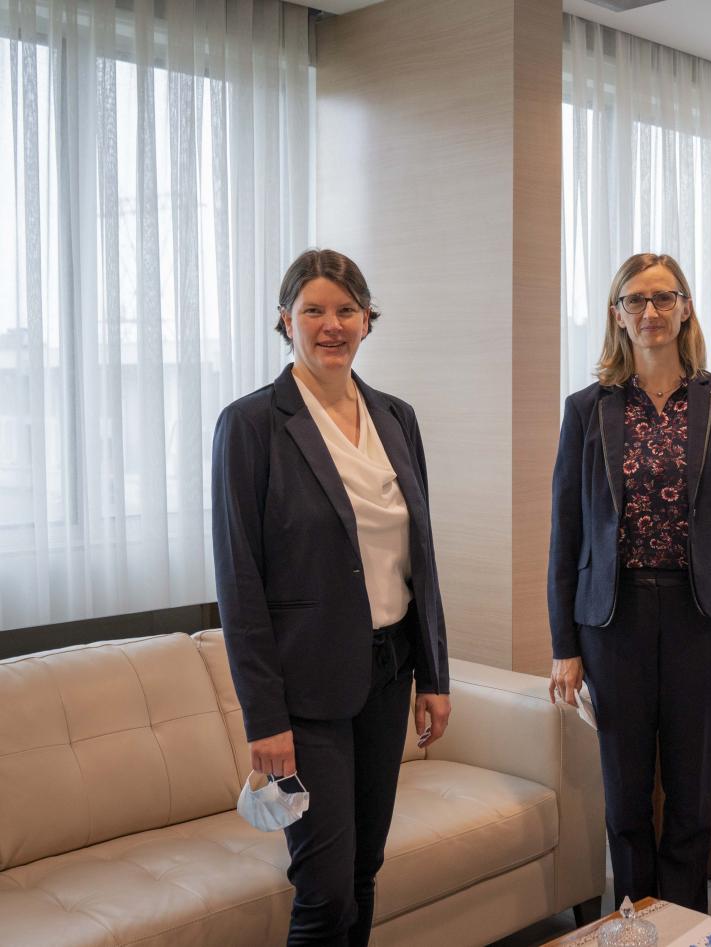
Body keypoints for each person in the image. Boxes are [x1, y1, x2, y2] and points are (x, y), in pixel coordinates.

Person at [212, 249, 451, 946]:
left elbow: (420, 557)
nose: (331, 325)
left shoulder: (397, 417)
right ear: (284, 321)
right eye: (313, 310)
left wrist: (434, 675)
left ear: (368, 320)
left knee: (364, 870)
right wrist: (264, 719)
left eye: (347, 310)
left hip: (388, 673)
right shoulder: (251, 425)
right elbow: (239, 583)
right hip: (303, 694)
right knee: (323, 890)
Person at [546, 251, 711, 911]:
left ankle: (684, 924)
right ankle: (636, 919)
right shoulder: (587, 409)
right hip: (612, 620)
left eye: (664, 297)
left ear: (685, 308)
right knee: (625, 791)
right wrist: (564, 644)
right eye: (635, 300)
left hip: (704, 617)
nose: (651, 311)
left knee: (691, 790)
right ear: (617, 314)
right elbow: (566, 533)